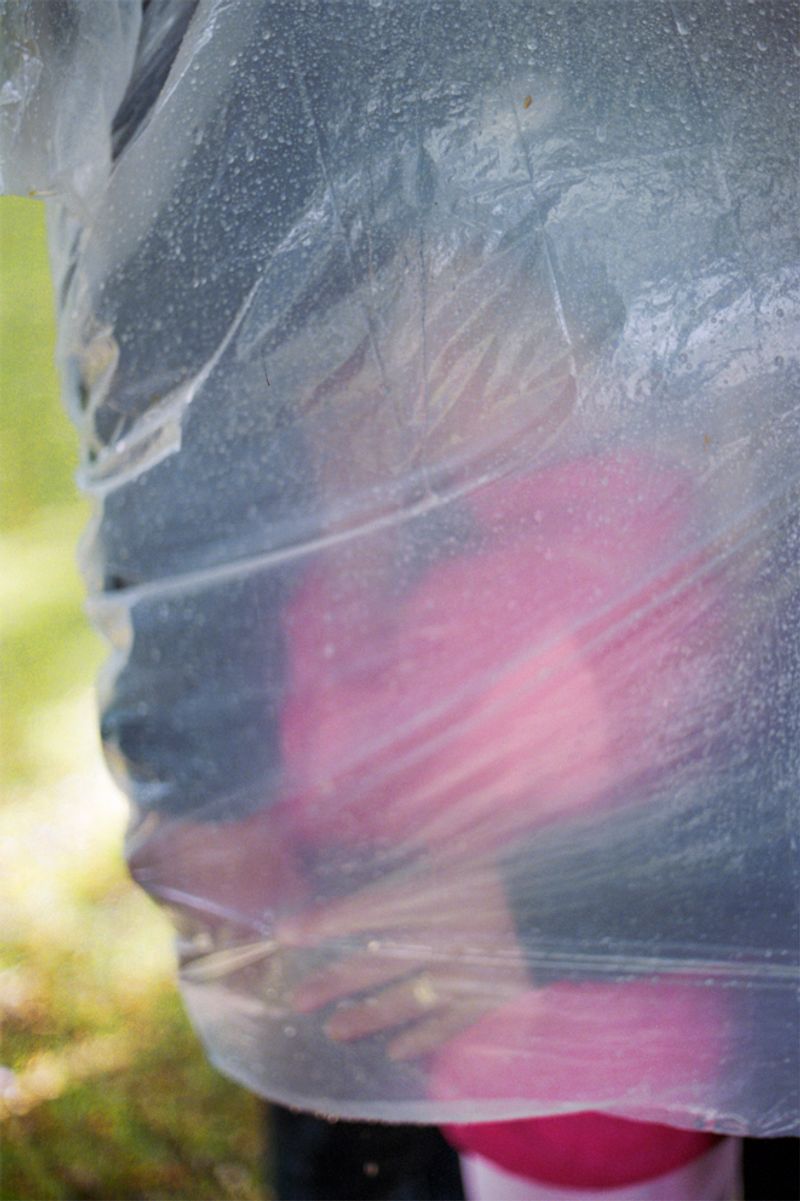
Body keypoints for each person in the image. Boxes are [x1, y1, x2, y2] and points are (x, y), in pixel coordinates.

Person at [2, 2, 797, 1198]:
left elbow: (369, 760)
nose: (393, 372)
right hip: (552, 1040)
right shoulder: (554, 527)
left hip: (580, 1075)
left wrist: (342, 518)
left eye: (444, 342)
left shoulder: (542, 572)